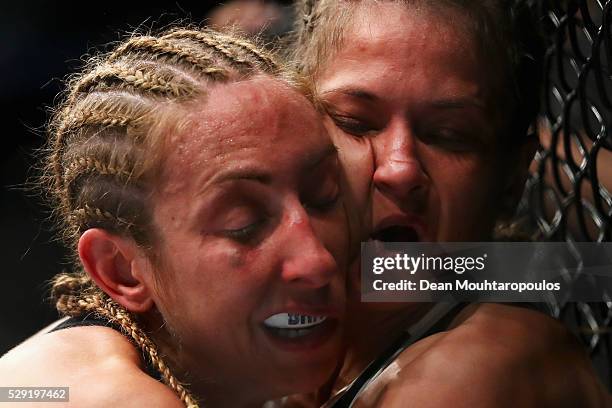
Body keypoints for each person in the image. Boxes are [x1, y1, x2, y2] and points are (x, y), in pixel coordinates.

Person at [0, 28, 351, 407]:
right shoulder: (107, 395)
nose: (317, 261)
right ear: (120, 270)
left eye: (324, 195)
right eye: (243, 224)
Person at [288, 0, 612, 406]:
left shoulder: (479, 368)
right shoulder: (283, 331)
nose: (399, 169)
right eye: (356, 123)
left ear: (511, 180)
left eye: (448, 134)